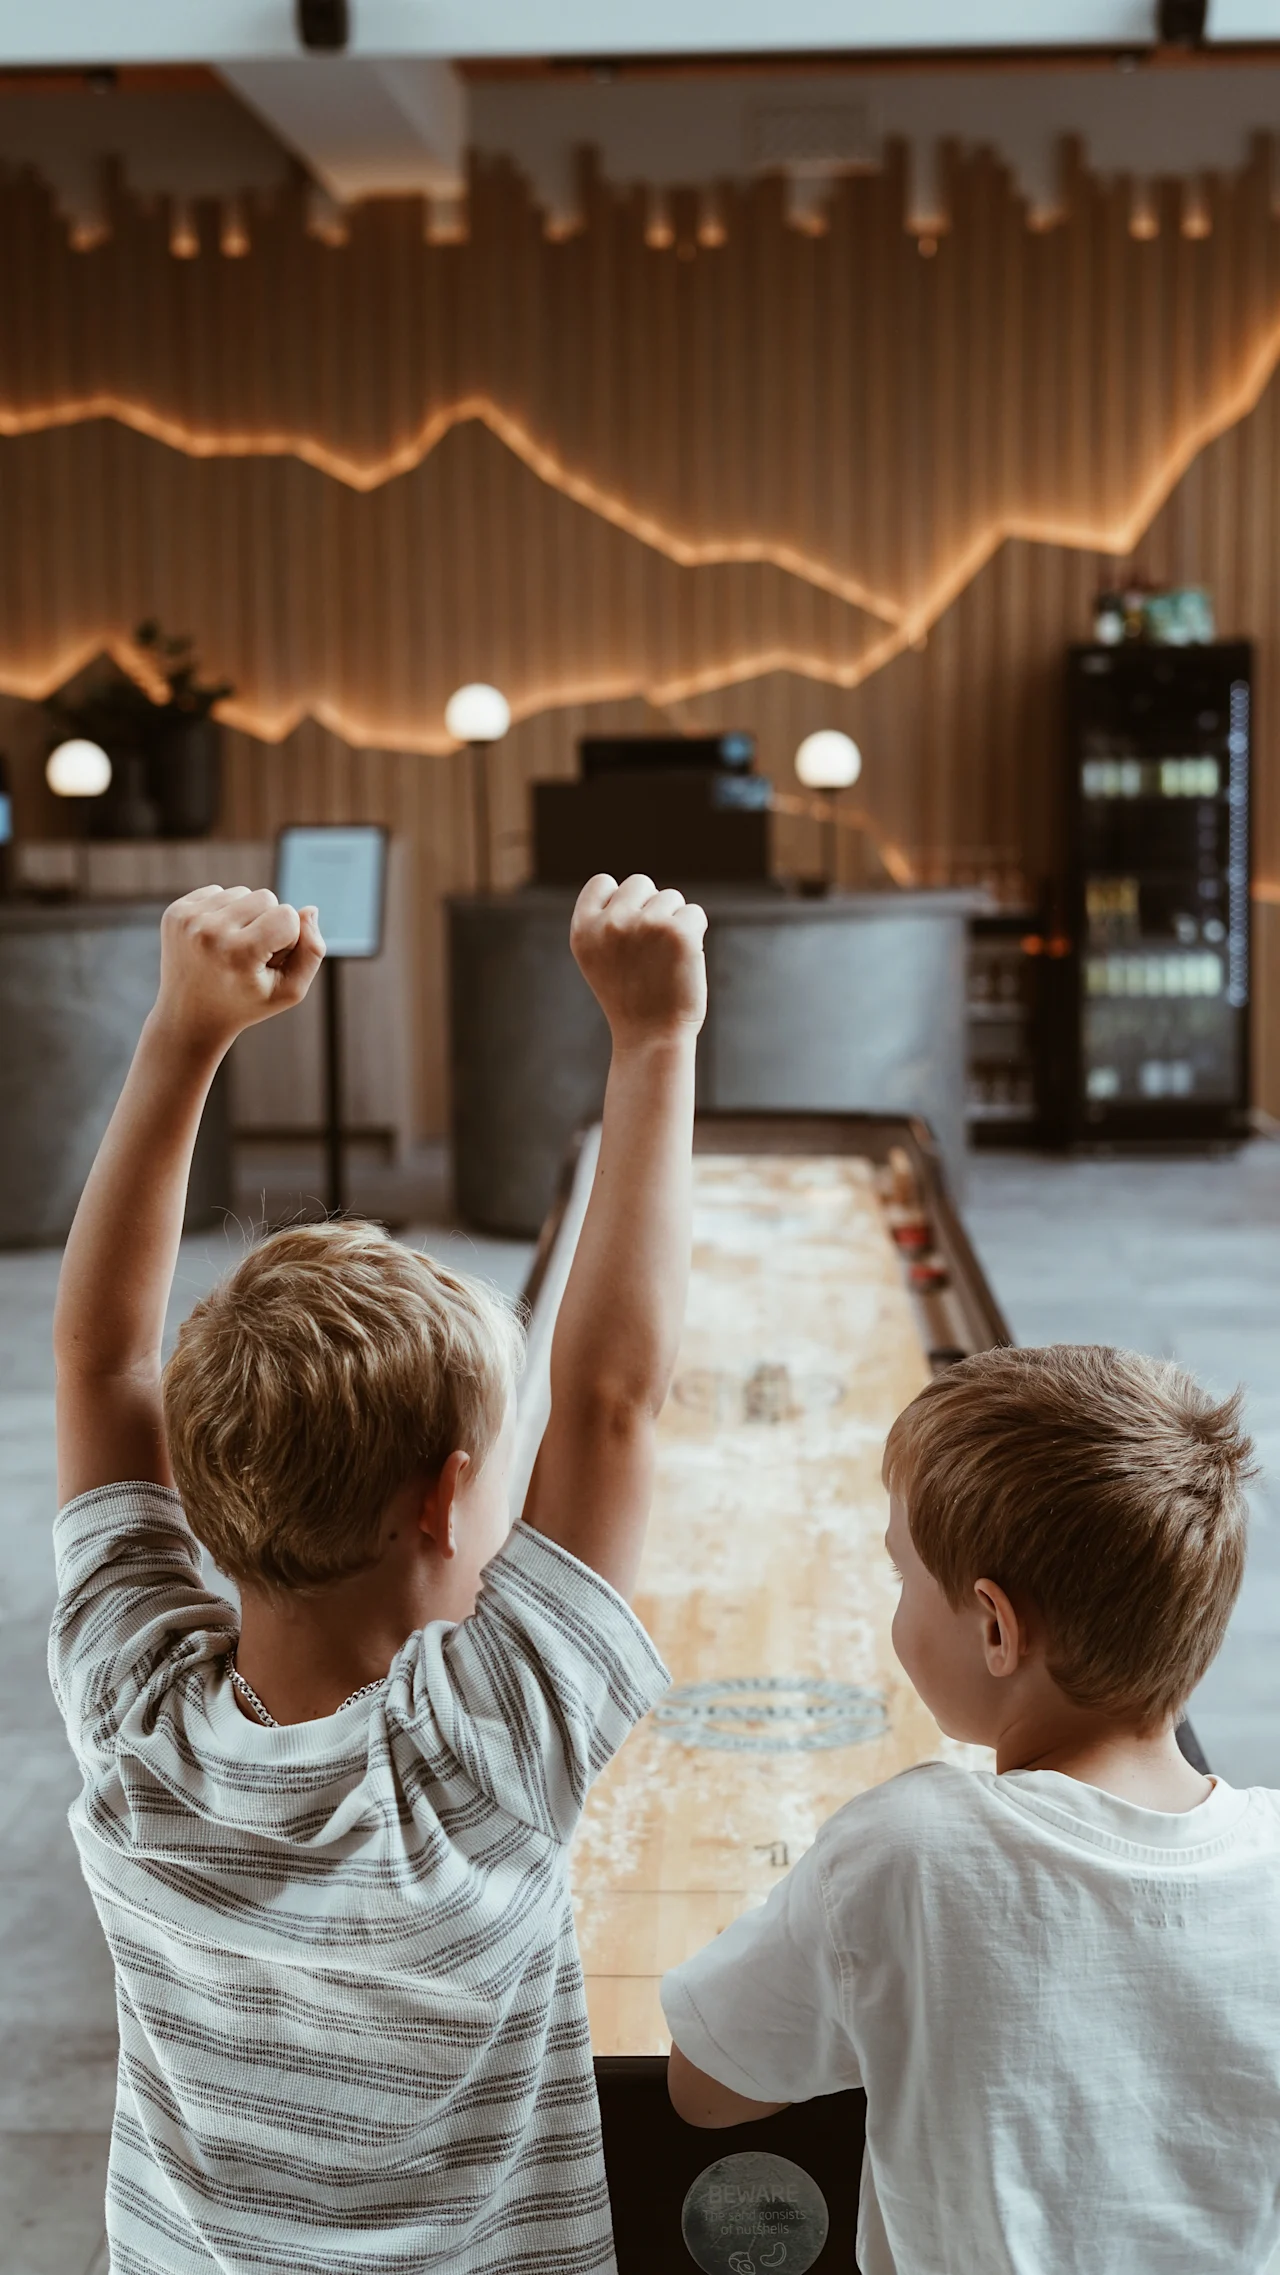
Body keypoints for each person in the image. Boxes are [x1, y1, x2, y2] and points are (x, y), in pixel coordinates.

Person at [49, 871, 706, 2275]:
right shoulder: (481, 1756)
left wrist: (182, 1033)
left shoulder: (132, 1718)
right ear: (446, 1500)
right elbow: (612, 1402)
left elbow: (100, 1364)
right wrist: (657, 1039)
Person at [663, 1343, 1280, 2275]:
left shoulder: (906, 1852)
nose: (899, 1604)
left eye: (903, 1578)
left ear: (996, 1627)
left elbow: (705, 2085)